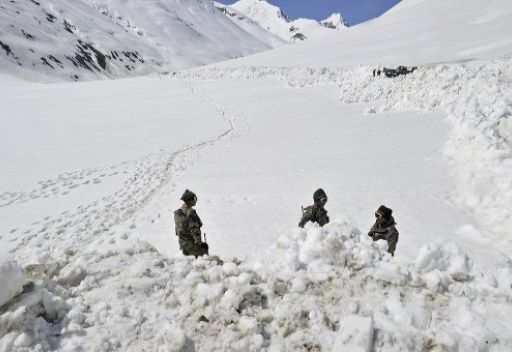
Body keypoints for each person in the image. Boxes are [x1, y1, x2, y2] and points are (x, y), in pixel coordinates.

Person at [174, 189, 209, 258]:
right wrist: (199, 244)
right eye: (194, 199)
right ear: (190, 201)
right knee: (204, 252)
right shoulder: (191, 213)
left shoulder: (178, 212)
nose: (195, 200)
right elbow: (195, 230)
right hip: (191, 245)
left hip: (182, 243)